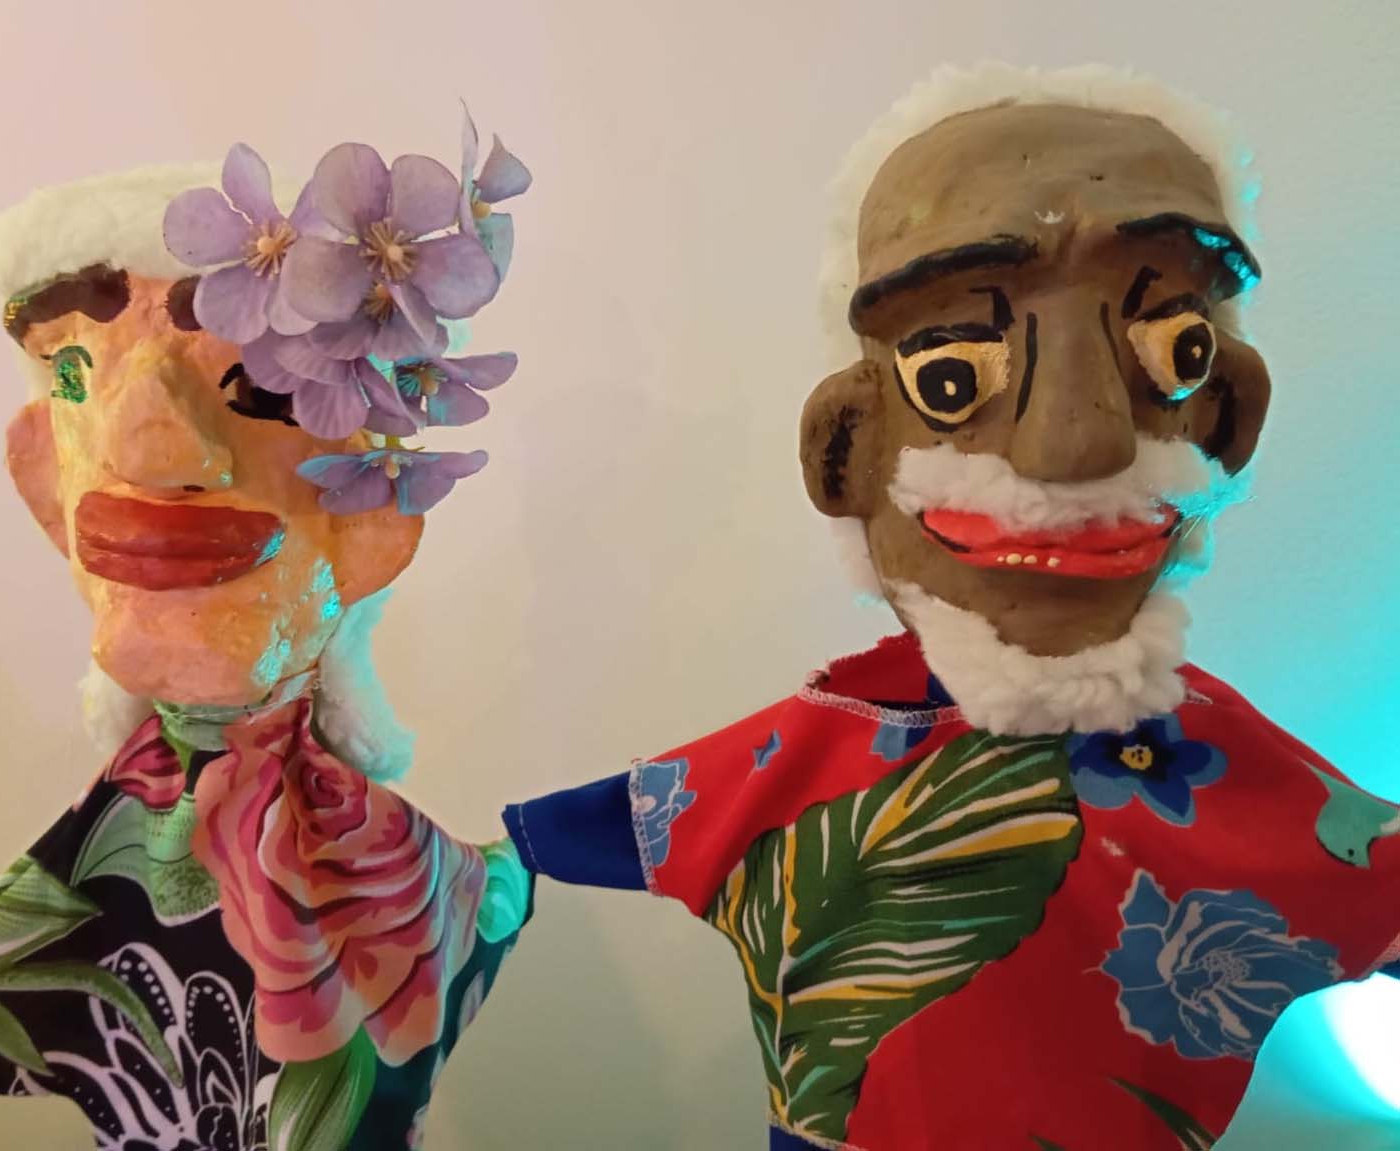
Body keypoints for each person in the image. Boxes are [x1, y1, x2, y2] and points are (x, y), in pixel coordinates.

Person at [499, 65, 1400, 1150]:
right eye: (951, 372)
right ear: (843, 449)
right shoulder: (817, 751)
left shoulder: (1221, 763)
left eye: (1175, 348)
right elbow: (553, 843)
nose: (1075, 444)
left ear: (1227, 414)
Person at [0, 130, 533, 1151]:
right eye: (75, 374)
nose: (145, 448)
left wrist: (545, 854)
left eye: (258, 388)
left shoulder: (388, 855)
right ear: (44, 478)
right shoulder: (126, 823)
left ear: (376, 518)